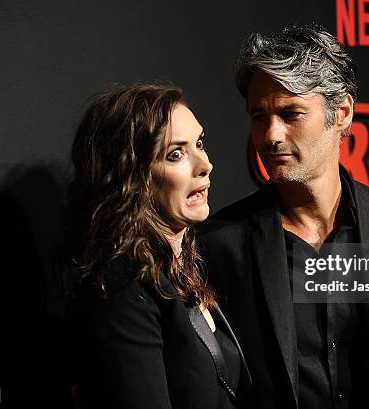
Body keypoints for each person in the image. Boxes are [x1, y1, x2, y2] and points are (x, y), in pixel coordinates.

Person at [199, 24, 369, 409]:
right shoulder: (222, 242)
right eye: (259, 116)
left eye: (291, 114)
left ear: (341, 113)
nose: (270, 135)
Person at [66, 84, 250, 409]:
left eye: (199, 144)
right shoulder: (123, 287)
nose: (204, 164)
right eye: (175, 154)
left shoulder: (184, 267)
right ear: (132, 177)